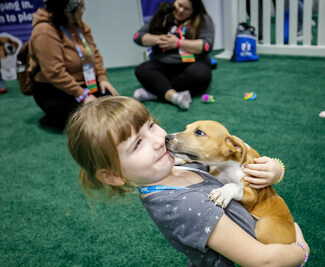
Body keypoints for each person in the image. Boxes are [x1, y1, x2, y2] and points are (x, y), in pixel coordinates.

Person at [66, 96, 310, 266]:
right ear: (112, 176)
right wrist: (300, 250)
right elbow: (262, 260)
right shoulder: (184, 206)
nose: (157, 139)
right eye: (137, 143)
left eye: (151, 126)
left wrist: (276, 170)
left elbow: (233, 160)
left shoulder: (178, 166)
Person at [29, 0, 119, 130]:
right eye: (81, 7)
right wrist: (83, 95)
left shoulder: (80, 26)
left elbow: (95, 54)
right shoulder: (44, 30)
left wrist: (102, 79)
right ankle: (54, 116)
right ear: (68, 10)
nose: (84, 10)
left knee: (113, 106)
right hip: (55, 89)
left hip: (85, 82)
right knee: (89, 120)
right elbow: (54, 72)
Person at [133, 0, 214, 110]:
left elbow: (206, 46)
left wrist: (178, 43)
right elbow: (138, 36)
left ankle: (157, 91)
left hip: (190, 64)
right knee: (142, 69)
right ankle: (174, 96)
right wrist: (157, 39)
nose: (181, 10)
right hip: (163, 64)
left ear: (194, 10)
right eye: (179, 5)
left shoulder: (202, 19)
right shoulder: (163, 14)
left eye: (186, 9)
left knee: (202, 74)